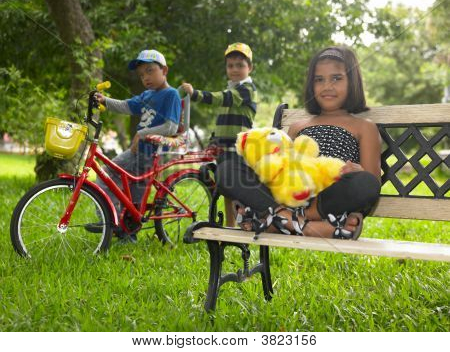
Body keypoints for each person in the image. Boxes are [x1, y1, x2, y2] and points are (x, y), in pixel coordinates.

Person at [216, 46, 381, 239]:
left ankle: (279, 221)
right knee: (227, 168)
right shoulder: (297, 126)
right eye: (319, 80)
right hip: (286, 197)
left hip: (326, 202)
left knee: (366, 183)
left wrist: (358, 171)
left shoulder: (363, 127)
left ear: (352, 82)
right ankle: (306, 224)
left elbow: (373, 181)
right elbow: (281, 165)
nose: (327, 86)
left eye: (336, 78)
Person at [86, 49, 182, 242]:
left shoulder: (170, 94)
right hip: (138, 151)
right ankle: (118, 225)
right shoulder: (147, 95)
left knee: (112, 178)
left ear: (164, 70)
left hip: (152, 152)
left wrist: (142, 133)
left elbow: (171, 126)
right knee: (119, 185)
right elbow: (125, 106)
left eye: (150, 71)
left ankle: (113, 223)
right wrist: (104, 100)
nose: (145, 77)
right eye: (141, 75)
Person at [180, 42, 257, 226]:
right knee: (225, 189)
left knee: (237, 188)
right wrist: (213, 141)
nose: (235, 69)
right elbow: (223, 123)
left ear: (250, 68)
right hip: (224, 148)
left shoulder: (247, 90)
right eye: (230, 65)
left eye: (240, 65)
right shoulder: (232, 89)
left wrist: (197, 94)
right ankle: (230, 228)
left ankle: (245, 224)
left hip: (238, 149)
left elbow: (222, 97)